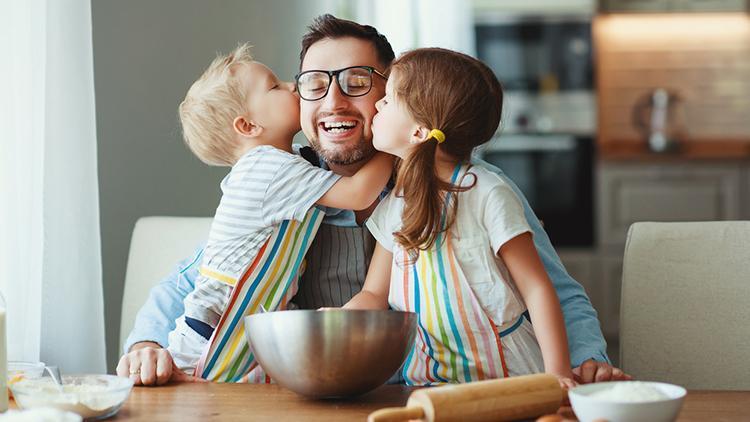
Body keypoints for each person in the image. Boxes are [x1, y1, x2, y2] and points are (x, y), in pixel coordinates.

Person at [117, 14, 630, 386]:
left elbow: (554, 290)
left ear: (401, 99)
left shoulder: (475, 189)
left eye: (359, 83)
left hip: (439, 392)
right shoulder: (290, 188)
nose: (335, 101)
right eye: (315, 85)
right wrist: (146, 345)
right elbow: (198, 278)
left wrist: (585, 360)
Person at [344, 47, 575, 388]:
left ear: (419, 132)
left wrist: (558, 376)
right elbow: (374, 295)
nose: (377, 104)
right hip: (428, 384)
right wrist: (337, 322)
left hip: (509, 380)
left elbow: (537, 288)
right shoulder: (395, 203)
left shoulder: (487, 193)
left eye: (389, 99)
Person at [166, 43, 392, 378]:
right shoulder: (266, 168)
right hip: (215, 326)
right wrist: (396, 144)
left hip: (250, 318)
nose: (292, 85)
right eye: (274, 86)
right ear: (248, 126)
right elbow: (359, 193)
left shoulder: (288, 164)